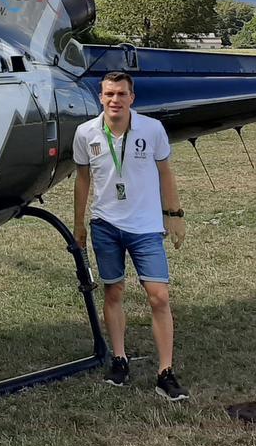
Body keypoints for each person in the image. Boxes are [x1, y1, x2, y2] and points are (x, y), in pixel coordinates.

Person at [72, 71, 190, 401]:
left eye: (121, 94)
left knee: (159, 297)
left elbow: (165, 173)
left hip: (146, 227)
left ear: (131, 98)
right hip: (105, 225)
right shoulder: (86, 133)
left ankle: (165, 371)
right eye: (109, 94)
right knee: (114, 292)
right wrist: (79, 224)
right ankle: (120, 359)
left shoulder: (152, 130)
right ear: (100, 97)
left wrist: (175, 215)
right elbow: (82, 180)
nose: (115, 100)